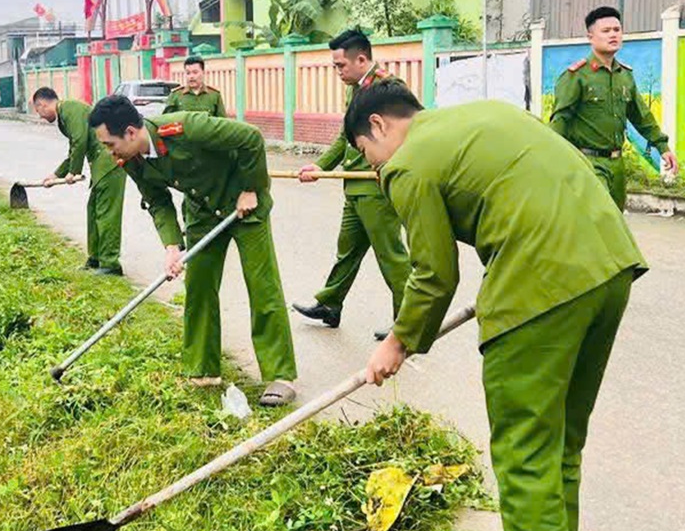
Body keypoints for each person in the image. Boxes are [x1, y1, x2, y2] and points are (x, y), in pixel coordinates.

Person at [350, 82, 647, 531]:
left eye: (367, 154)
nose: (374, 168)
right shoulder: (484, 114)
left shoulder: (408, 163)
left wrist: (396, 342)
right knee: (559, 446)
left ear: (380, 127)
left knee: (524, 456)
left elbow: (434, 275)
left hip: (541, 285)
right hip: (611, 266)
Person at [88, 95, 298, 407]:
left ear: (131, 132)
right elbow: (158, 201)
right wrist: (172, 247)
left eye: (109, 143)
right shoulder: (130, 160)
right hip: (202, 212)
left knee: (262, 285)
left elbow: (250, 138)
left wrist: (251, 188)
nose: (108, 151)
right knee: (198, 287)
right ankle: (203, 369)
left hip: (244, 205)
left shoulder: (187, 128)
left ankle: (280, 375)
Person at [291, 30, 411, 340]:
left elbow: (407, 131)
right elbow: (347, 135)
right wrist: (321, 166)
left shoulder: (389, 88)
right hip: (353, 185)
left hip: (376, 185)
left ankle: (409, 323)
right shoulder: (357, 87)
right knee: (347, 250)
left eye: (341, 65)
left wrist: (391, 171)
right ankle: (330, 304)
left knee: (391, 256)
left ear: (362, 59)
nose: (338, 72)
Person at [550, 6, 679, 210]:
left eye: (617, 30)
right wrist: (553, 163)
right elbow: (560, 121)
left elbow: (641, 116)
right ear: (591, 37)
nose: (613, 35)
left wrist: (662, 147)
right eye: (606, 31)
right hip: (588, 163)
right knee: (598, 217)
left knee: (616, 219)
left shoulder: (624, 75)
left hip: (617, 165)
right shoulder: (576, 76)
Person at [32, 87, 127, 276]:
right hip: (100, 162)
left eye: (38, 111)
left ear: (42, 104)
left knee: (107, 214)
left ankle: (111, 263)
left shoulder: (69, 109)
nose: (41, 116)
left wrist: (73, 172)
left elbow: (80, 140)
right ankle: (96, 258)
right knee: (93, 210)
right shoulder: (65, 113)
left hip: (110, 160)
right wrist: (56, 174)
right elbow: (74, 147)